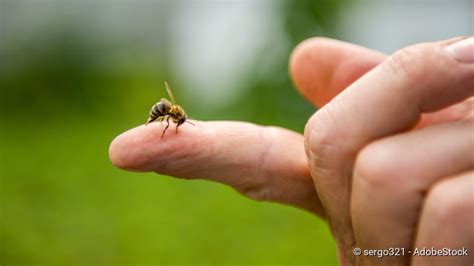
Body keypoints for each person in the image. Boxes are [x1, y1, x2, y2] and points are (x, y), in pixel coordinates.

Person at [109, 36, 474, 265]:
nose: (176, 119)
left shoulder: (177, 116)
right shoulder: (170, 115)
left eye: (175, 118)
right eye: (176, 118)